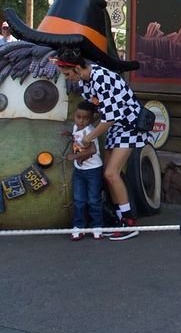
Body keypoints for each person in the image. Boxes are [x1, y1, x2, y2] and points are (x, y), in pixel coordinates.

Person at [51, 46, 148, 240]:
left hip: (128, 126)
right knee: (109, 173)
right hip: (115, 128)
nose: (67, 77)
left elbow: (109, 118)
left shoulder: (102, 78)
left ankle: (129, 222)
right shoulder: (87, 82)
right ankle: (121, 217)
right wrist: (80, 132)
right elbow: (98, 114)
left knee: (111, 173)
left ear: (78, 69)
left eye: (68, 73)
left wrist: (87, 138)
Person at [68, 99, 104, 240]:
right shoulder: (75, 127)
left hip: (93, 171)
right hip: (79, 170)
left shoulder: (90, 132)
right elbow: (76, 139)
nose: (81, 121)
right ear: (74, 115)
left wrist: (73, 156)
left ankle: (97, 226)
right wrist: (68, 135)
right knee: (78, 200)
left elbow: (92, 150)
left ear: (91, 119)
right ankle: (79, 226)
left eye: (85, 118)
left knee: (93, 199)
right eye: (78, 117)